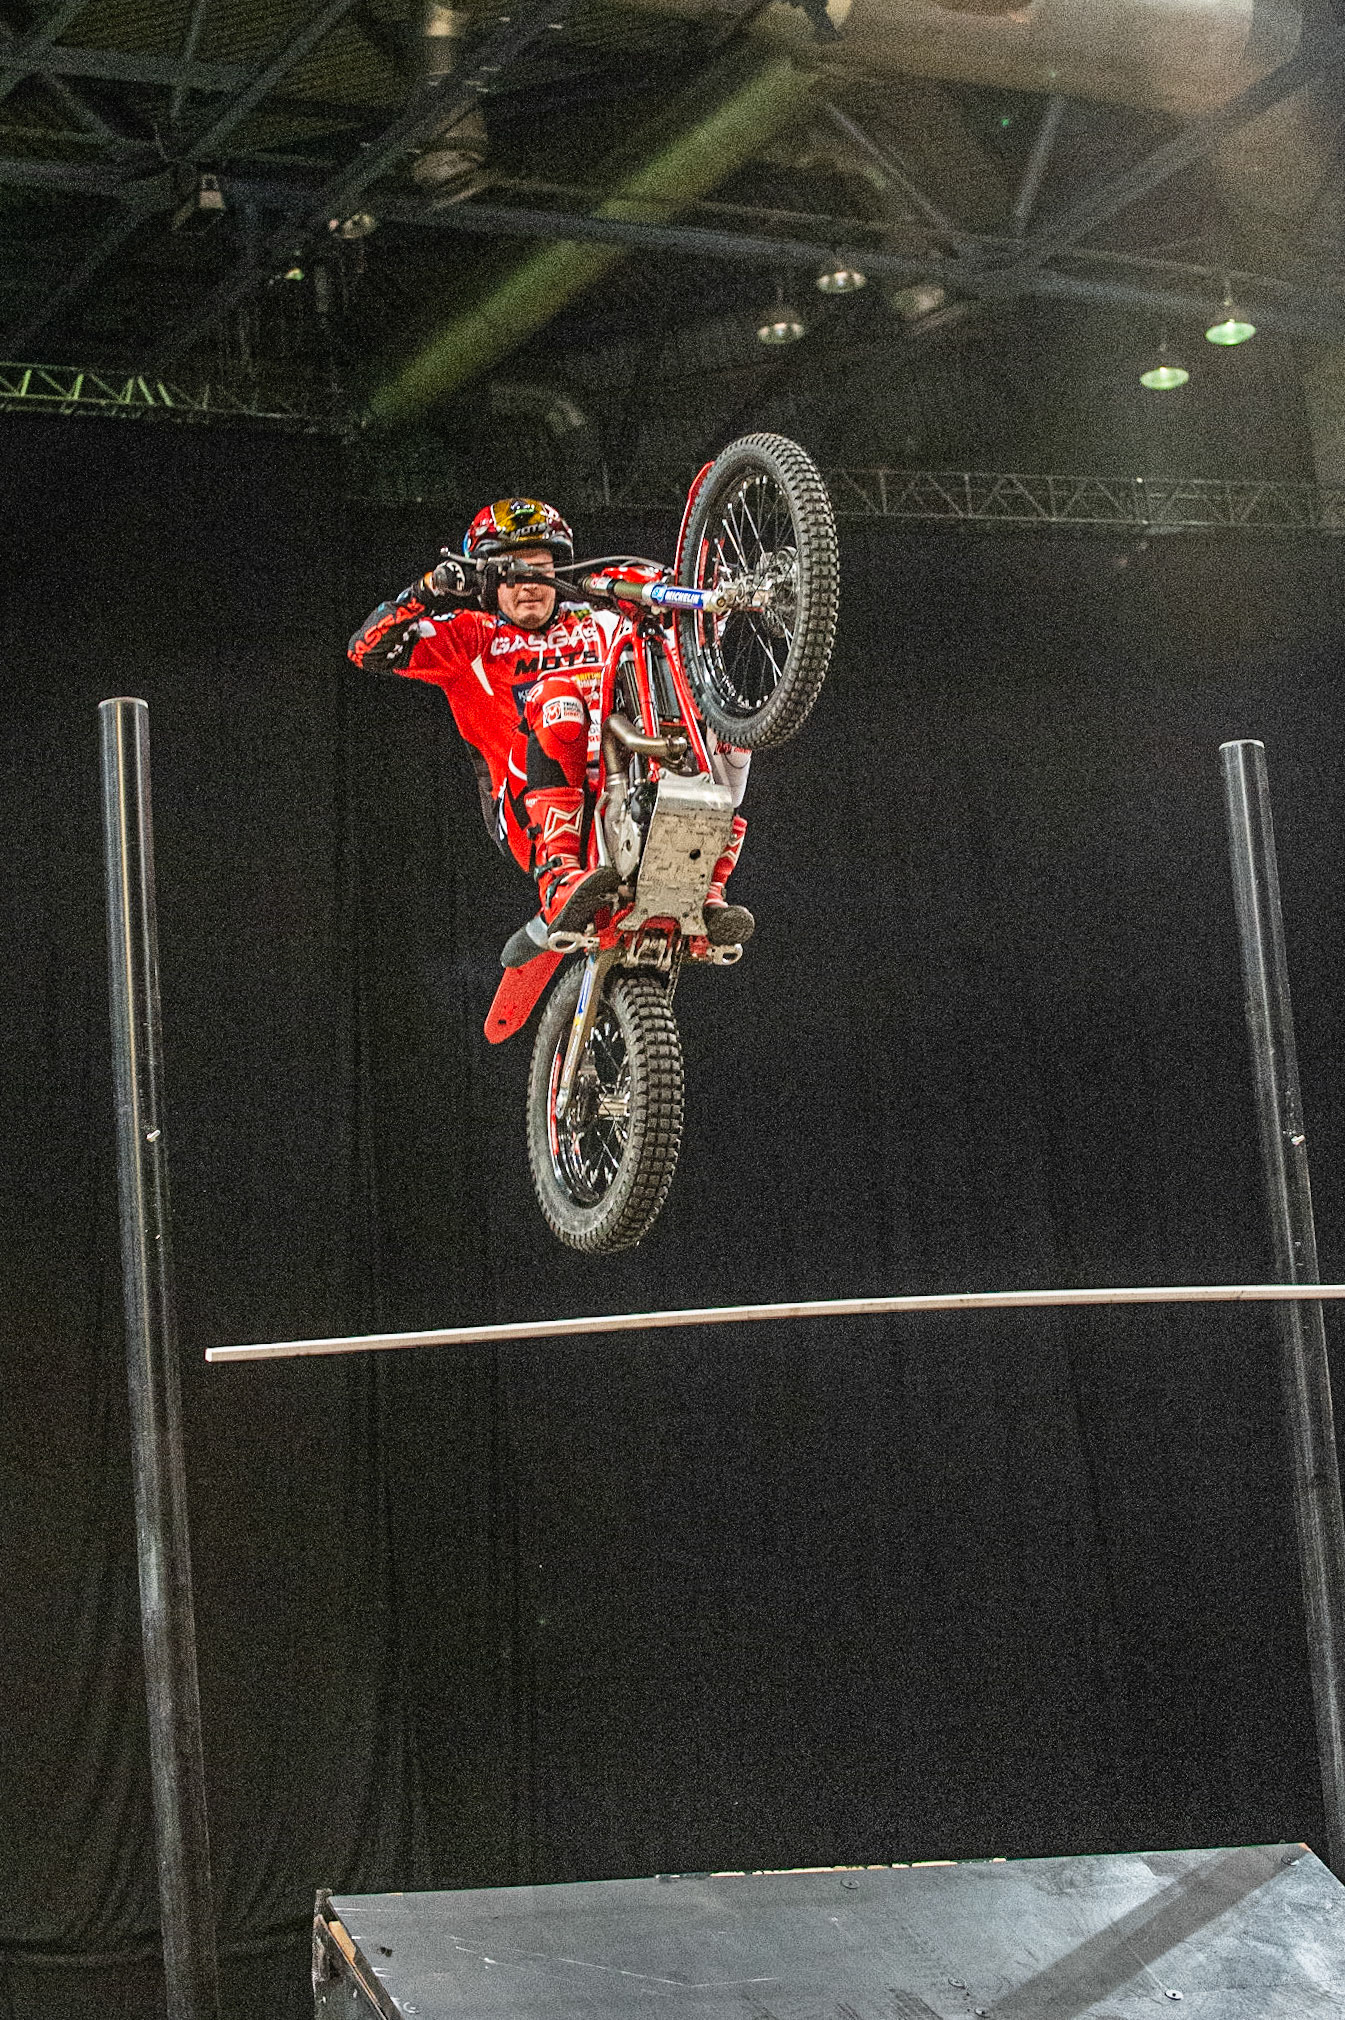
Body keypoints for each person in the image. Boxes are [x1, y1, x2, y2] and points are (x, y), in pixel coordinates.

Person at [348, 496, 752, 953]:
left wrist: (710, 581)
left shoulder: (601, 620)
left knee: (730, 718)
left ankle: (708, 889)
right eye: (513, 572)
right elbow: (365, 650)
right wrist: (429, 588)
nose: (530, 585)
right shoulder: (471, 638)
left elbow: (695, 629)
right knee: (558, 697)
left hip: (624, 786)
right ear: (488, 581)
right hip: (528, 814)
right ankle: (559, 880)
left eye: (542, 569)